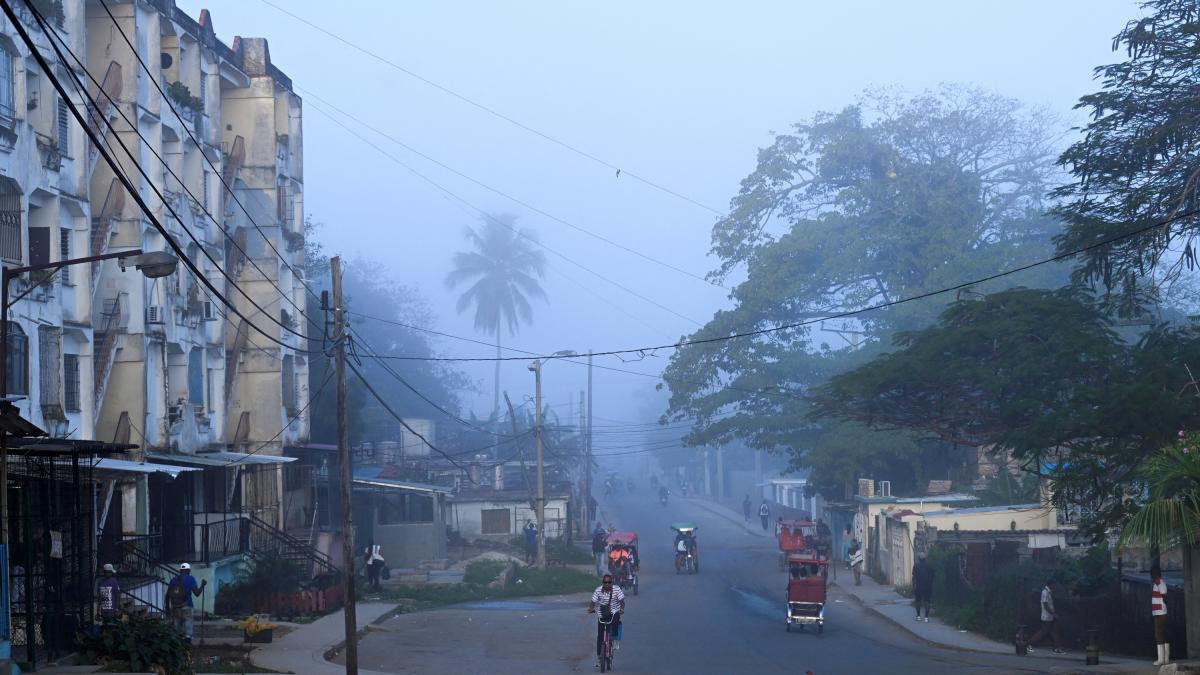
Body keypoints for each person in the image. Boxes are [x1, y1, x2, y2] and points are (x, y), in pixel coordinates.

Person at [588, 573, 626, 666]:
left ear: (611, 583)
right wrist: (591, 609)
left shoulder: (617, 589)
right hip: (602, 613)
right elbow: (593, 602)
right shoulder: (598, 591)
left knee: (616, 621)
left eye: (609, 582)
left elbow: (622, 602)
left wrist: (621, 609)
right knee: (600, 636)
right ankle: (599, 657)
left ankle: (615, 640)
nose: (607, 584)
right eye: (605, 582)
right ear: (603, 583)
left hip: (614, 611)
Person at [166, 563, 206, 643]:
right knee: (188, 625)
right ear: (189, 571)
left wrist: (168, 609)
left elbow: (168, 595)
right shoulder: (190, 579)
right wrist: (202, 585)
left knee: (177, 627)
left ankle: (177, 645)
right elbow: (197, 593)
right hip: (187, 605)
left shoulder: (173, 580)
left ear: (180, 570)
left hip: (175, 607)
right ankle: (188, 643)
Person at [1026, 578, 1065, 654]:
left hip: (1049, 616)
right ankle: (1029, 643)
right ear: (1051, 585)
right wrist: (1053, 614)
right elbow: (1045, 604)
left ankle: (1057, 647)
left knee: (1052, 631)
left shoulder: (1048, 592)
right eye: (1054, 585)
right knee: (1044, 631)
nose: (1055, 586)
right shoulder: (1045, 592)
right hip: (1046, 616)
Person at [1151, 565, 1170, 666]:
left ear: (1155, 573)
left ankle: (1161, 659)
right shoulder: (1158, 582)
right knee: (1163, 634)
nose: (1151, 575)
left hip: (1160, 612)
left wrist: (1163, 605)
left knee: (1159, 634)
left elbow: (1164, 595)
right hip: (1161, 612)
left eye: (1153, 572)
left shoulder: (1159, 582)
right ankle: (1165, 659)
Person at [911, 551, 934, 622]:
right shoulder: (930, 566)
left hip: (919, 587)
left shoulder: (916, 566)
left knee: (918, 602)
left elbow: (914, 577)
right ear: (925, 558)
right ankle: (926, 618)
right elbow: (933, 576)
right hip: (928, 586)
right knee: (927, 602)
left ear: (918, 558)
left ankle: (918, 616)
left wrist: (913, 586)